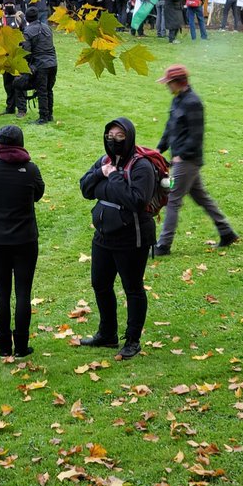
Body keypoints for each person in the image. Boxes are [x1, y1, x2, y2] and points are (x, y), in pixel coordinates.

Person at [78, 117, 155, 360]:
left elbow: (135, 200)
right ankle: (107, 334)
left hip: (131, 238)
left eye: (119, 136)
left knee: (132, 288)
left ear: (129, 137)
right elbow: (85, 189)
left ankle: (132, 340)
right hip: (102, 236)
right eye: (110, 136)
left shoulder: (142, 167)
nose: (114, 141)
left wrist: (112, 178)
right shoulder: (104, 161)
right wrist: (101, 171)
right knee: (100, 284)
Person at [152, 64, 237, 256]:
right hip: (182, 159)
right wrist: (159, 148)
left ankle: (163, 246)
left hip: (187, 161)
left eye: (169, 83)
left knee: (173, 199)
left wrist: (181, 155)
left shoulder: (193, 102)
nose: (167, 86)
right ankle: (227, 232)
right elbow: (170, 127)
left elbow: (196, 135)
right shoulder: (177, 100)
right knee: (202, 197)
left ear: (178, 82)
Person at [0, 125, 44, 358]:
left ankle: (4, 346)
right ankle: (22, 346)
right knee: (23, 293)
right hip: (26, 240)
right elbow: (38, 194)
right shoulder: (30, 169)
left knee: (2, 293)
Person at [23, 8, 57, 125]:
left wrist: (28, 65)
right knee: (49, 89)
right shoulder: (47, 28)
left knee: (42, 91)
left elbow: (26, 51)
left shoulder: (28, 31)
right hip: (52, 63)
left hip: (41, 64)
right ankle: (49, 114)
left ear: (26, 18)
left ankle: (43, 117)